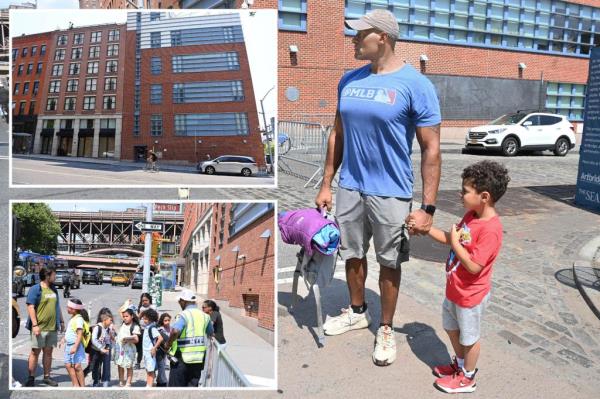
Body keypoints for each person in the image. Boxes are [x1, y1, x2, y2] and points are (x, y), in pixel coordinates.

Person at [315, 9, 441, 366]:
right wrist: (327, 183)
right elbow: (336, 133)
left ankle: (385, 327)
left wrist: (427, 208)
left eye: (360, 34)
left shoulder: (416, 85)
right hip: (350, 187)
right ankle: (358, 311)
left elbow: (431, 149)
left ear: (382, 37)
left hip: (391, 191)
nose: (353, 39)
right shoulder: (349, 80)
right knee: (352, 255)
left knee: (389, 262)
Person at [422, 161, 509, 393]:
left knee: (469, 338)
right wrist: (425, 229)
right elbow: (452, 238)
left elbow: (473, 266)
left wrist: (456, 241)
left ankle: (468, 377)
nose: (461, 194)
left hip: (471, 295)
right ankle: (459, 366)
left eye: (466, 191)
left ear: (484, 196)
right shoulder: (471, 216)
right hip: (455, 290)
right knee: (451, 327)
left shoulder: (491, 229)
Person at [25, 266, 65, 387]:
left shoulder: (54, 289)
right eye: (54, 275)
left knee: (48, 353)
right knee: (35, 352)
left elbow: (57, 306)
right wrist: (35, 325)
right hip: (39, 328)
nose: (55, 277)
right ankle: (31, 378)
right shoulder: (35, 289)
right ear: (47, 276)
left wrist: (62, 321)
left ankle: (47, 377)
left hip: (52, 328)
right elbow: (30, 307)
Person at [165, 289, 213, 387]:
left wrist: (168, 344)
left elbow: (175, 331)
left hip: (181, 358)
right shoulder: (205, 316)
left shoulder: (183, 315)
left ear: (184, 301)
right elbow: (210, 332)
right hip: (198, 359)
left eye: (180, 301)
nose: (179, 303)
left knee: (175, 391)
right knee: (191, 390)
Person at [60, 298, 89, 387]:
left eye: (68, 307)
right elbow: (70, 331)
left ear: (74, 309)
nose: (67, 308)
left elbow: (79, 334)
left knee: (77, 366)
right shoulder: (73, 318)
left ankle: (82, 387)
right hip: (69, 346)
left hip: (75, 346)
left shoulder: (78, 319)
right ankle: (75, 385)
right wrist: (63, 338)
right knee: (68, 365)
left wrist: (75, 347)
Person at [114, 308, 141, 387]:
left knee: (129, 366)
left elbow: (136, 339)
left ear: (132, 316)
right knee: (120, 365)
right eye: (124, 316)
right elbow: (120, 310)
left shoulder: (135, 326)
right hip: (120, 349)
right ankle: (121, 381)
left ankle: (128, 382)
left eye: (127, 316)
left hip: (129, 350)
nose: (125, 318)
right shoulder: (123, 324)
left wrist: (127, 340)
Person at [88, 309, 115, 387]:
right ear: (104, 320)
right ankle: (96, 381)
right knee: (96, 366)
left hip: (106, 349)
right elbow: (94, 339)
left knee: (107, 365)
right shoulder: (97, 327)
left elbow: (111, 340)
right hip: (96, 350)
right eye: (110, 320)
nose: (112, 322)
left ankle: (106, 380)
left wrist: (112, 337)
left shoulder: (109, 329)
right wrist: (101, 348)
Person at [140, 308, 163, 387]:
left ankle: (149, 385)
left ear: (151, 319)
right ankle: (149, 384)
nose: (144, 320)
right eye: (143, 318)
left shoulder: (152, 328)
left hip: (150, 352)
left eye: (146, 319)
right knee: (148, 369)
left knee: (150, 370)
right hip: (146, 352)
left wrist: (154, 348)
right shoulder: (147, 327)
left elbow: (160, 338)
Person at [136, 293, 157, 369]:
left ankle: (152, 362)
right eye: (143, 300)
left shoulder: (153, 307)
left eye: (146, 300)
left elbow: (157, 318)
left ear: (149, 300)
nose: (144, 302)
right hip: (142, 330)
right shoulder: (141, 308)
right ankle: (138, 363)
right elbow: (138, 318)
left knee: (151, 346)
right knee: (140, 347)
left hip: (151, 330)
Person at [156, 312, 172, 387]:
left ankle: (160, 380)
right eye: (165, 321)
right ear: (162, 321)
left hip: (168, 349)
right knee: (161, 366)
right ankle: (162, 381)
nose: (167, 322)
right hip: (161, 350)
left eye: (168, 320)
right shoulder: (160, 329)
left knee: (163, 365)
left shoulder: (171, 328)